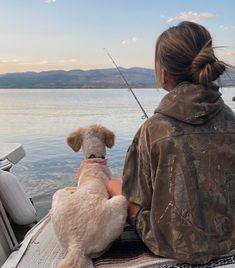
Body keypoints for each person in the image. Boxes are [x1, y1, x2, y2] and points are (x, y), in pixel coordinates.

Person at [107, 21, 235, 264]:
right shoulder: (231, 119)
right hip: (228, 239)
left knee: (114, 186)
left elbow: (137, 198)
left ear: (163, 73)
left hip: (171, 244)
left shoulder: (153, 128)